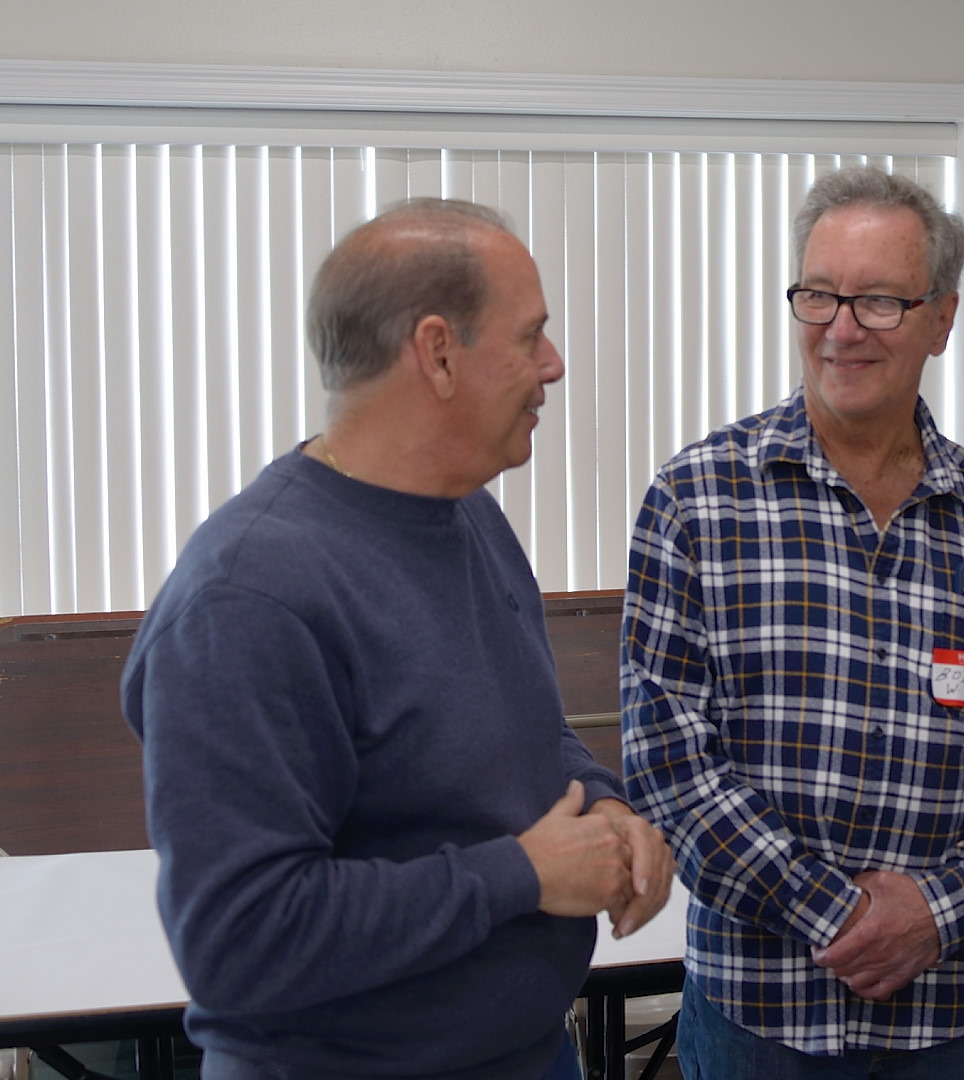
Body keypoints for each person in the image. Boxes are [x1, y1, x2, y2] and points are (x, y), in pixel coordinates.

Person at [122, 199, 673, 1080]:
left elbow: (524, 738)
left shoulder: (470, 518)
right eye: (530, 335)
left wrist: (603, 804)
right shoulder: (249, 597)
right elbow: (239, 941)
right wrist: (522, 876)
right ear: (438, 353)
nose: (554, 364)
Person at [619, 166, 964, 1078]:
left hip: (959, 1012)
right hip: (762, 1012)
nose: (841, 328)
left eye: (879, 300)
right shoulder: (698, 499)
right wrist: (835, 916)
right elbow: (669, 761)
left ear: (942, 319)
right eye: (819, 294)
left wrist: (937, 912)